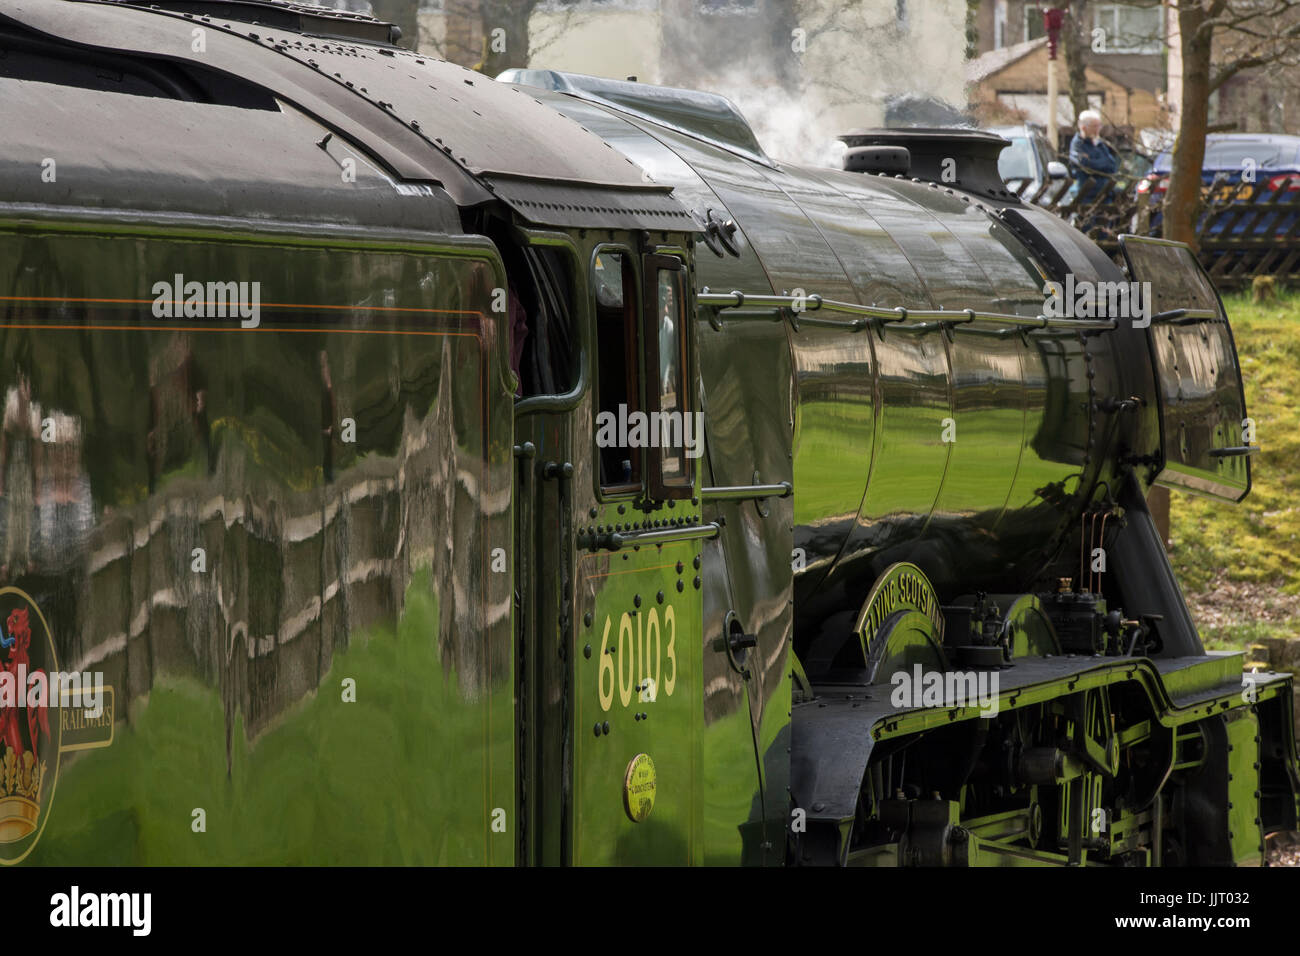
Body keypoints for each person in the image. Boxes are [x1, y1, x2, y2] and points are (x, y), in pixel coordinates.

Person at [1068, 110, 1119, 205]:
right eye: (1095, 126)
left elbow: (1112, 165)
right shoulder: (1077, 144)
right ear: (1083, 127)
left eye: (1099, 125)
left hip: (1105, 195)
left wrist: (1093, 162)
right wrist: (1102, 164)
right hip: (1086, 197)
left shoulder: (1099, 144)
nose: (1098, 129)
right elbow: (1084, 165)